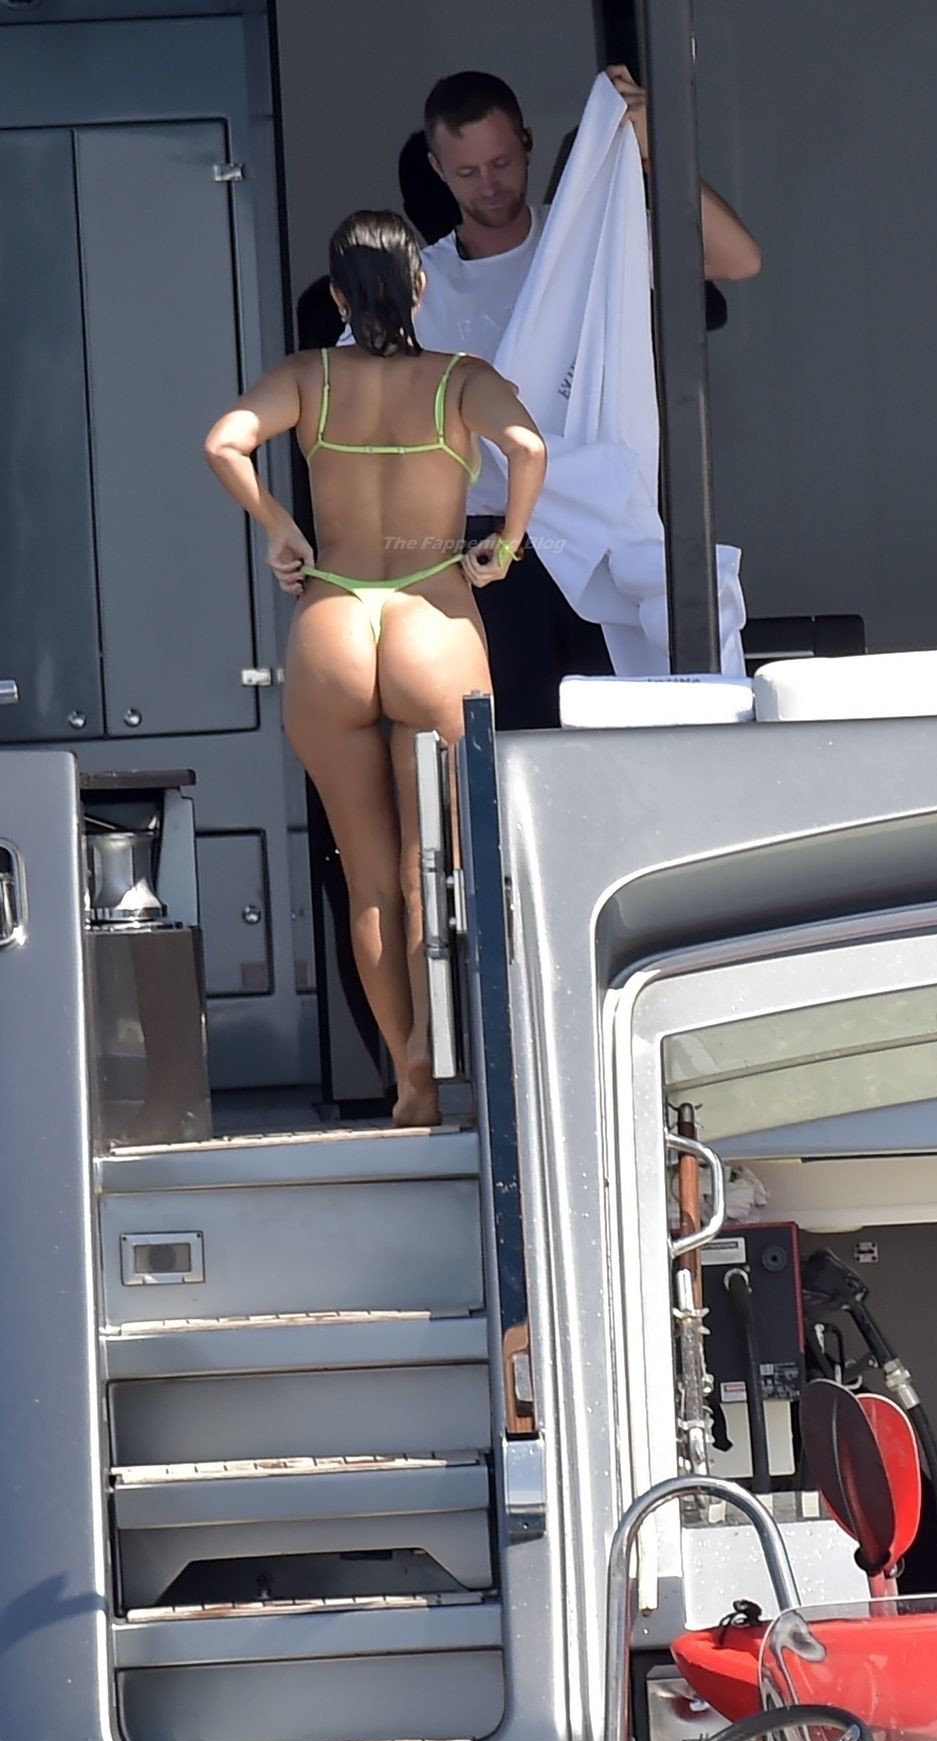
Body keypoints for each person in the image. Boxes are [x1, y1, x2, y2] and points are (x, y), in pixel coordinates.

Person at [205, 209, 547, 1126]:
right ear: (421, 287)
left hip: (334, 619)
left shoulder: (307, 377)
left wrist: (281, 527)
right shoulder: (460, 380)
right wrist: (506, 546)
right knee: (434, 867)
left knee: (366, 881)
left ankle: (409, 1074)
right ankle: (461, 1048)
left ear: (338, 295)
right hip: (431, 610)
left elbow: (224, 441)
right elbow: (528, 447)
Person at [411, 67, 761, 728]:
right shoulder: (422, 282)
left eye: (501, 162)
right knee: (516, 741)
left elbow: (739, 259)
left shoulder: (591, 243)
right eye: (467, 172)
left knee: (625, 730)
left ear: (528, 144)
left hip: (601, 534)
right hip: (489, 548)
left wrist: (657, 147)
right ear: (437, 169)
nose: (489, 184)